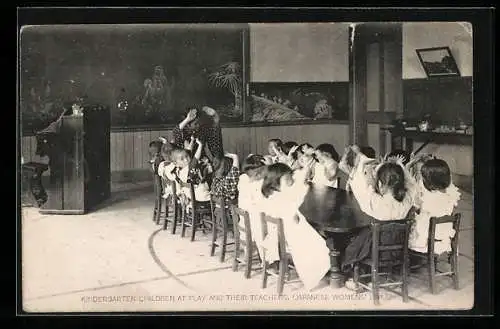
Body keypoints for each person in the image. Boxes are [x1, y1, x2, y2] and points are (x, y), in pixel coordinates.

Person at [341, 145, 416, 289]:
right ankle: (382, 274)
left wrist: (362, 162)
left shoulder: (376, 201)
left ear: (380, 183)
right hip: (397, 250)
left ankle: (354, 278)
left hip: (376, 249)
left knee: (354, 243)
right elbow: (412, 185)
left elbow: (359, 185)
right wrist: (400, 166)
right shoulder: (406, 200)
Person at [258, 161, 331, 291]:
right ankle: (319, 271)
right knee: (322, 245)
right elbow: (294, 214)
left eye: (291, 177)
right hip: (286, 239)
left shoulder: (272, 195)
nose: (291, 181)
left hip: (279, 236)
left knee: (316, 238)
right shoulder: (281, 198)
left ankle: (319, 268)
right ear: (275, 182)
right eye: (287, 179)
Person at [408, 158, 461, 255]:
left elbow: (415, 209)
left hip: (425, 244)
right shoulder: (451, 196)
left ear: (426, 180)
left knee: (408, 228)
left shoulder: (424, 199)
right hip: (445, 243)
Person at [237, 154, 268, 258]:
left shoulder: (243, 178)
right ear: (258, 172)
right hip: (256, 224)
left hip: (245, 222)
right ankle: (267, 259)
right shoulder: (257, 184)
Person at [165, 139, 211, 208]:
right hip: (202, 197)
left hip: (191, 197)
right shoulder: (188, 168)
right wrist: (200, 145)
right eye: (182, 159)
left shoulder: (177, 170)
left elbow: (189, 151)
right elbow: (196, 158)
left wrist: (192, 141)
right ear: (176, 163)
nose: (186, 160)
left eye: (187, 156)